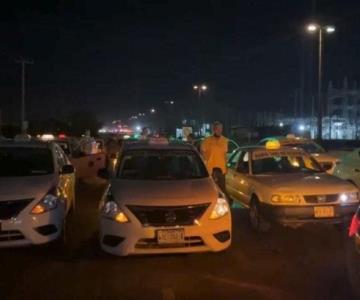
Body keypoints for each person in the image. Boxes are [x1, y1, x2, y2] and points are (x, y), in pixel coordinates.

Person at [200, 121, 228, 192]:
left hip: (221, 169)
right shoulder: (206, 141)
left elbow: (225, 155)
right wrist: (205, 161)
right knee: (211, 190)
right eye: (218, 129)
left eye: (221, 129)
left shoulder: (225, 140)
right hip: (210, 169)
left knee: (222, 190)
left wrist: (226, 166)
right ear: (214, 129)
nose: (220, 130)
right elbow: (202, 153)